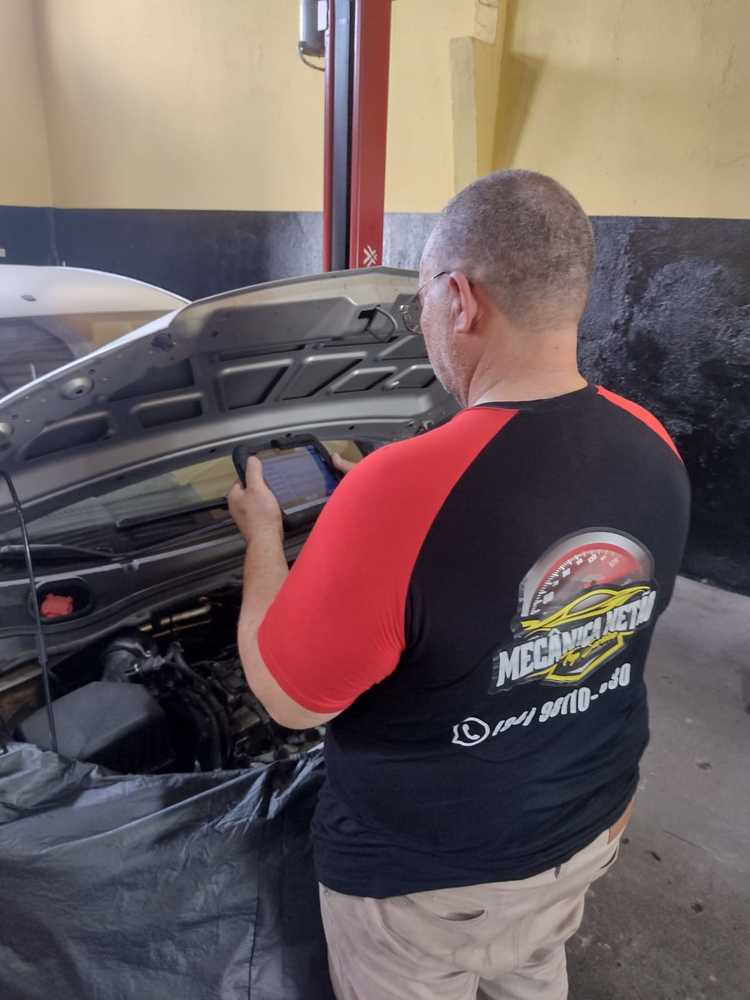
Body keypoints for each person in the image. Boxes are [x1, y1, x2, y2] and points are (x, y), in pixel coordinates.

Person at [227, 169, 690, 1000]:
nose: (425, 324)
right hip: (590, 823)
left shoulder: (399, 488)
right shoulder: (651, 437)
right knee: (532, 971)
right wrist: (386, 511)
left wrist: (264, 538)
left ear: (460, 298)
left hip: (426, 883)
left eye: (422, 304)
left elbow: (288, 700)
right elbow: (611, 622)